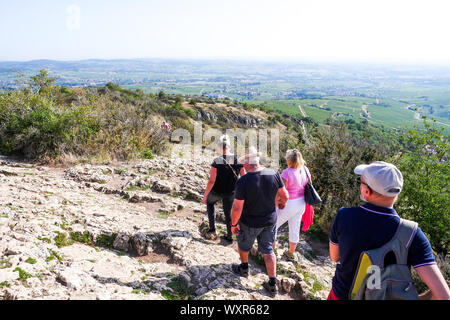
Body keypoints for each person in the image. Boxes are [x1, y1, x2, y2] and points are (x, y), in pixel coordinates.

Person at [328, 161, 450, 300]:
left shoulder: (344, 216)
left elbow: (335, 256)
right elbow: (443, 296)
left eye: (360, 182)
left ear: (367, 191)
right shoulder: (412, 234)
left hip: (340, 295)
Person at [230, 146, 289, 297]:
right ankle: (272, 283)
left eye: (244, 163)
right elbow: (285, 195)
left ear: (248, 164)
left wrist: (234, 224)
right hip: (269, 220)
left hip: (249, 222)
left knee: (244, 245)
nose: (243, 165)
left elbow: (237, 208)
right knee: (268, 250)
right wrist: (282, 203)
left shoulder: (243, 181)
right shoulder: (273, 173)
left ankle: (244, 268)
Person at [202, 135, 245, 242]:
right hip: (231, 192)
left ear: (220, 147)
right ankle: (230, 235)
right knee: (228, 212)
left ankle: (212, 229)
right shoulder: (239, 159)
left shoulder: (217, 161)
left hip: (217, 191)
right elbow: (244, 177)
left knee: (210, 203)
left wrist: (206, 195)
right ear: (229, 147)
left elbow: (211, 181)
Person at [274, 149, 310, 261]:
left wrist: (275, 204)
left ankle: (272, 251)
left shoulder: (286, 173)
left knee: (273, 225)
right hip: (301, 202)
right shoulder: (305, 170)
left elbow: (281, 192)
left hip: (289, 203)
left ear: (289, 160)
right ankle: (291, 253)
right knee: (295, 227)